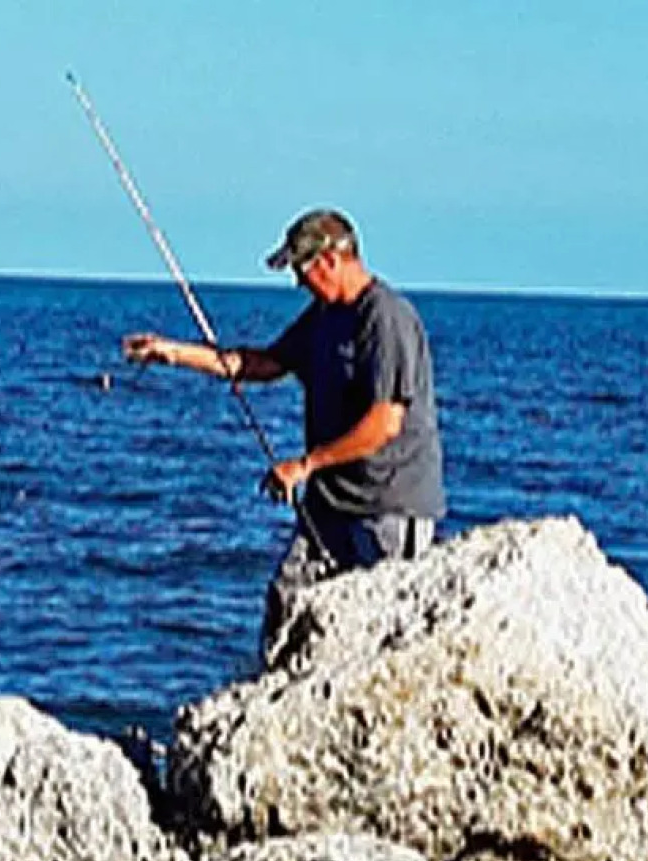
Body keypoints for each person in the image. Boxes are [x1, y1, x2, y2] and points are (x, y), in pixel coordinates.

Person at [122, 208, 445, 658]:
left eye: (302, 269)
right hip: (330, 507)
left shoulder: (385, 318)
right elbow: (261, 364)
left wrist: (305, 465)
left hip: (388, 508)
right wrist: (171, 353)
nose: (298, 281)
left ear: (331, 260)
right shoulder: (322, 318)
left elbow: (383, 425)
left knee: (388, 635)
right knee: (287, 604)